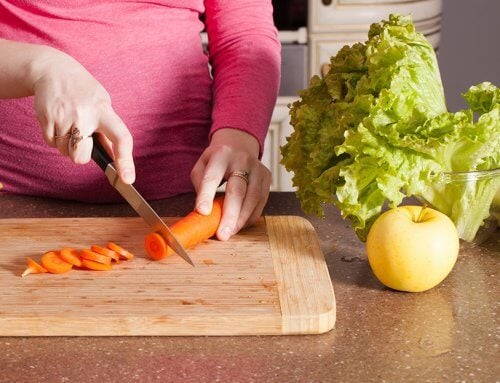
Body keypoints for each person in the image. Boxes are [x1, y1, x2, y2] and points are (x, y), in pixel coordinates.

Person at [0, 1, 281, 241]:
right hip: (12, 205)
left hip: (185, 206)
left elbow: (245, 32)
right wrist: (39, 67)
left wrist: (238, 135)